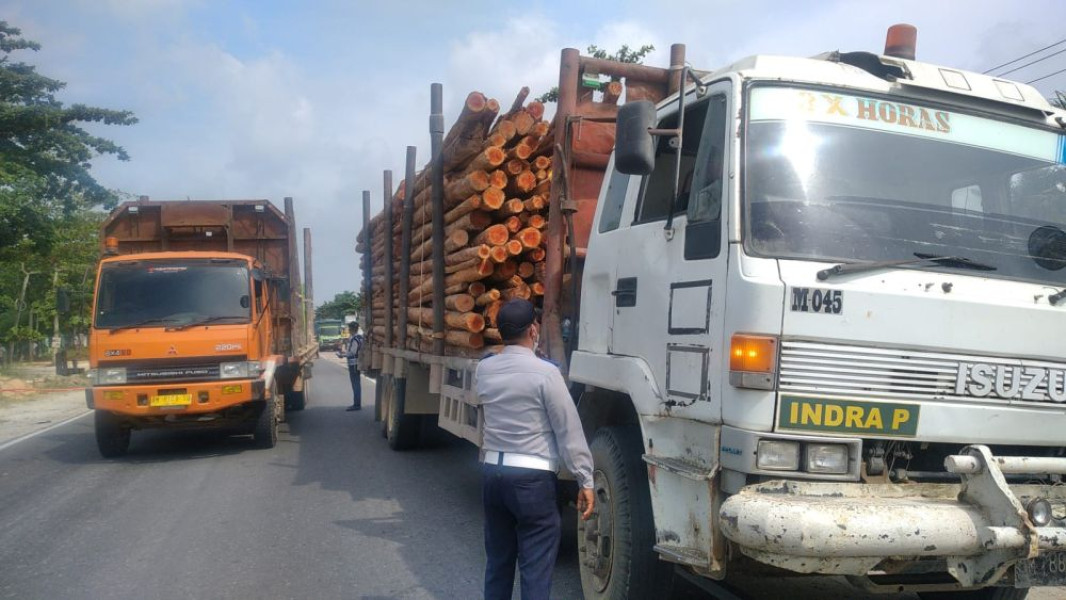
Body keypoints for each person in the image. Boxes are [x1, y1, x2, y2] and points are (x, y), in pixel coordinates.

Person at [475, 299, 595, 600]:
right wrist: (585, 479)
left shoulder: (484, 369)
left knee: (498, 563)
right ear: (533, 329)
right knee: (536, 569)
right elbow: (568, 429)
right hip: (532, 481)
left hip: (493, 475)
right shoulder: (546, 374)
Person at [337, 322, 364, 411]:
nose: (348, 330)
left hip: (353, 364)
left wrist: (342, 355)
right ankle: (357, 403)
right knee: (357, 384)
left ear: (352, 329)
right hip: (357, 363)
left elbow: (353, 352)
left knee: (355, 384)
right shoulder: (360, 337)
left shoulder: (354, 339)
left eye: (349, 328)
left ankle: (356, 404)